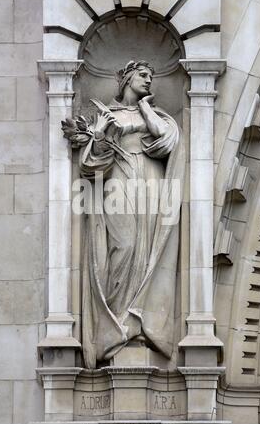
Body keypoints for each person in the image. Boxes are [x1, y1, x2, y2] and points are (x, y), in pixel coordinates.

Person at [69, 61, 185, 368]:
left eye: (152, 75)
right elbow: (90, 167)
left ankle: (140, 326)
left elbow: (166, 142)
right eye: (143, 75)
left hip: (150, 181)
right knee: (125, 245)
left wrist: (146, 109)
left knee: (149, 251)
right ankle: (117, 325)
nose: (149, 80)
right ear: (127, 78)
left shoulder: (157, 115)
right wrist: (99, 135)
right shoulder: (105, 114)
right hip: (118, 181)